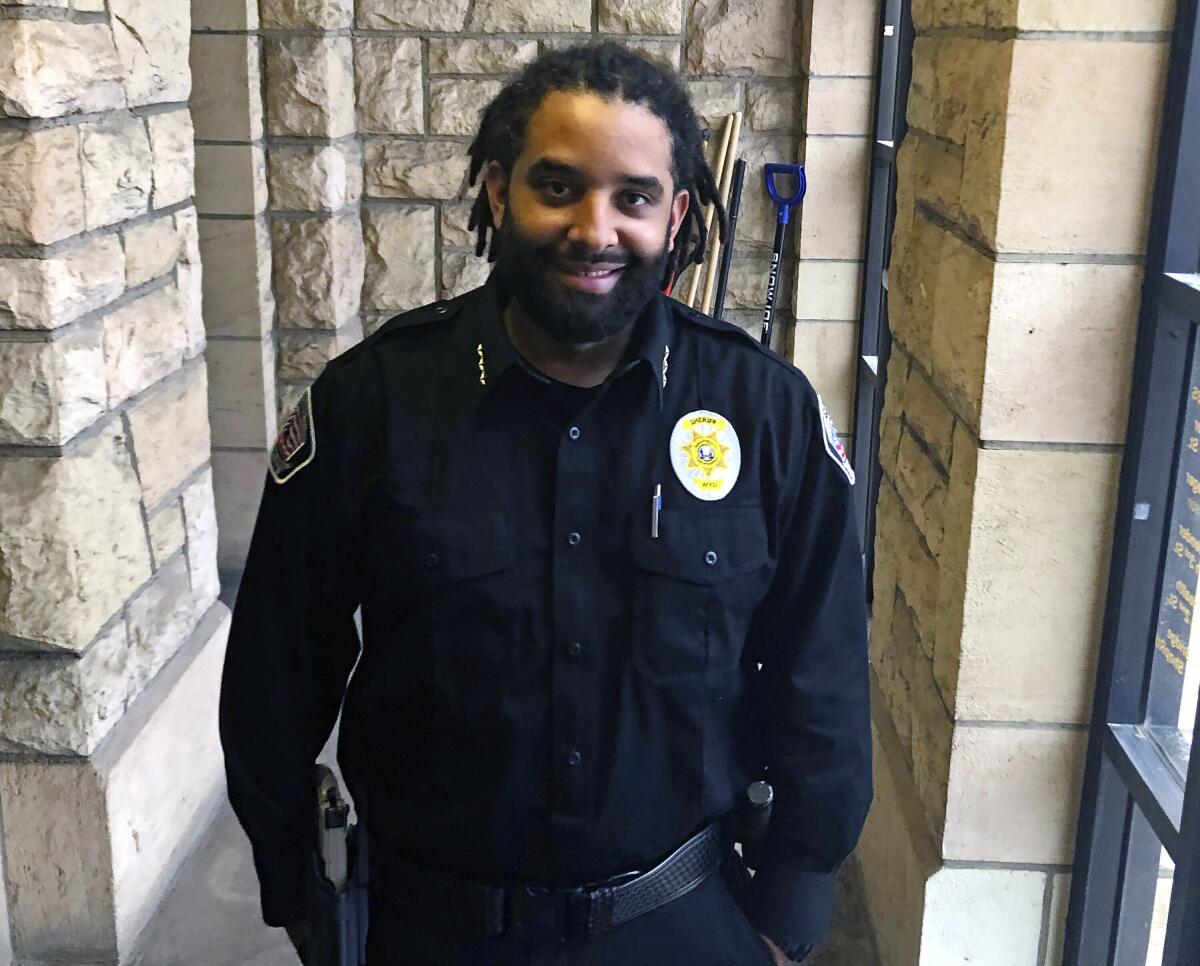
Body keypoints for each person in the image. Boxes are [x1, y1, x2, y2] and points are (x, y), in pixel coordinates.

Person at [219, 42, 871, 966]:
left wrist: (790, 912)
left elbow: (824, 674)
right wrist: (298, 890)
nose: (594, 229)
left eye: (633, 198)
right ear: (496, 193)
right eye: (557, 188)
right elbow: (275, 676)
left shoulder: (767, 413)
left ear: (677, 214)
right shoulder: (371, 404)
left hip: (683, 924)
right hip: (429, 931)